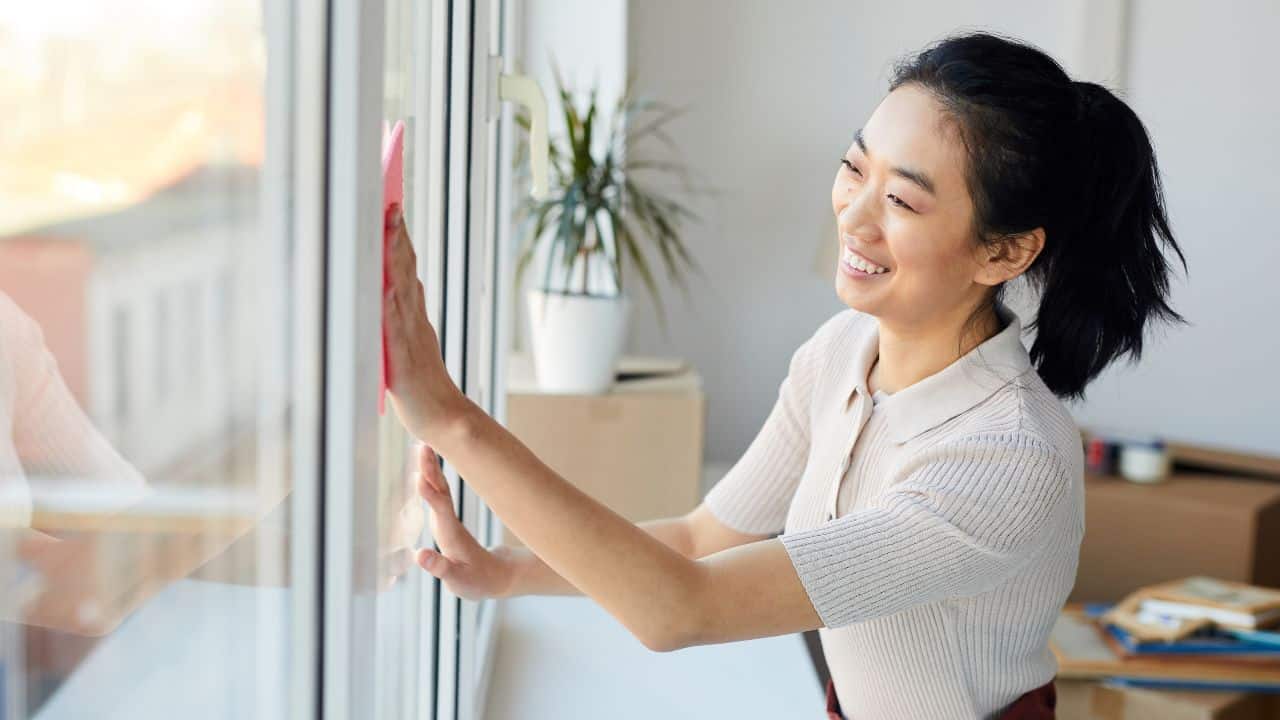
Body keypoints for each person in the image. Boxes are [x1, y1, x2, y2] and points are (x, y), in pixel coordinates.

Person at [381, 31, 1185, 720]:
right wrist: (507, 573)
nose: (854, 215)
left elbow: (680, 609)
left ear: (1004, 252)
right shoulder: (841, 351)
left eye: (902, 201)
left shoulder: (1006, 457)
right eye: (853, 168)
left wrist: (451, 418)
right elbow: (700, 542)